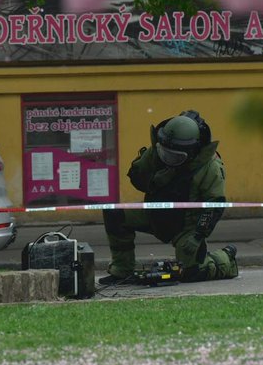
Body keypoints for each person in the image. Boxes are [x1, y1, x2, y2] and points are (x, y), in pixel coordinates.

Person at [99, 110, 239, 285]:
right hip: (155, 214)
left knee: (190, 274)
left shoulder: (210, 167)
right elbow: (137, 178)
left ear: (191, 151)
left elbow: (215, 205)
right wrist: (153, 177)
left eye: (175, 157)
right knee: (115, 214)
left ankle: (225, 258)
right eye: (165, 153)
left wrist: (197, 236)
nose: (168, 159)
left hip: (186, 225)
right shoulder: (159, 151)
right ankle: (122, 270)